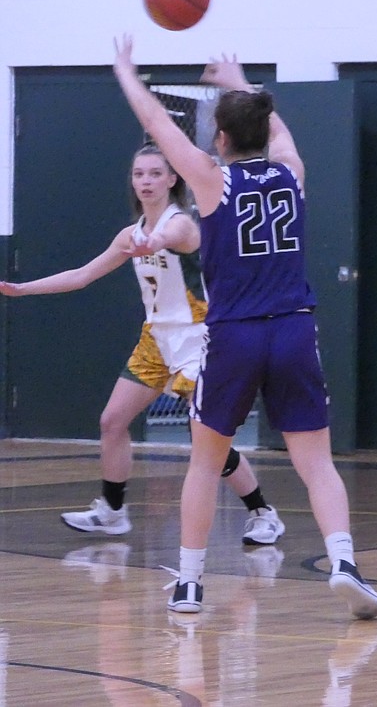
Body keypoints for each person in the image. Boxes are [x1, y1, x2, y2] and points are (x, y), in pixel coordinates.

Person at [112, 36, 377, 618]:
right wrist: (241, 80)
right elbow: (276, 131)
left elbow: (158, 123)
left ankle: (189, 582)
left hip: (234, 334)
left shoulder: (212, 182)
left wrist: (126, 73)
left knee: (206, 462)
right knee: (318, 462)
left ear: (222, 139)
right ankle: (344, 563)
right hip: (293, 329)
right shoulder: (291, 172)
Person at [0, 145, 284, 546]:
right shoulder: (129, 235)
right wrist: (22, 289)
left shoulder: (181, 224)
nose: (146, 181)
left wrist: (156, 241)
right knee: (112, 421)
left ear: (172, 180)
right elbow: (82, 275)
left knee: (207, 438)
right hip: (156, 339)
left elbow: (174, 236)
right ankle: (112, 511)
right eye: (139, 174)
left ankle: (262, 512)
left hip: (198, 339)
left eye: (155, 174)